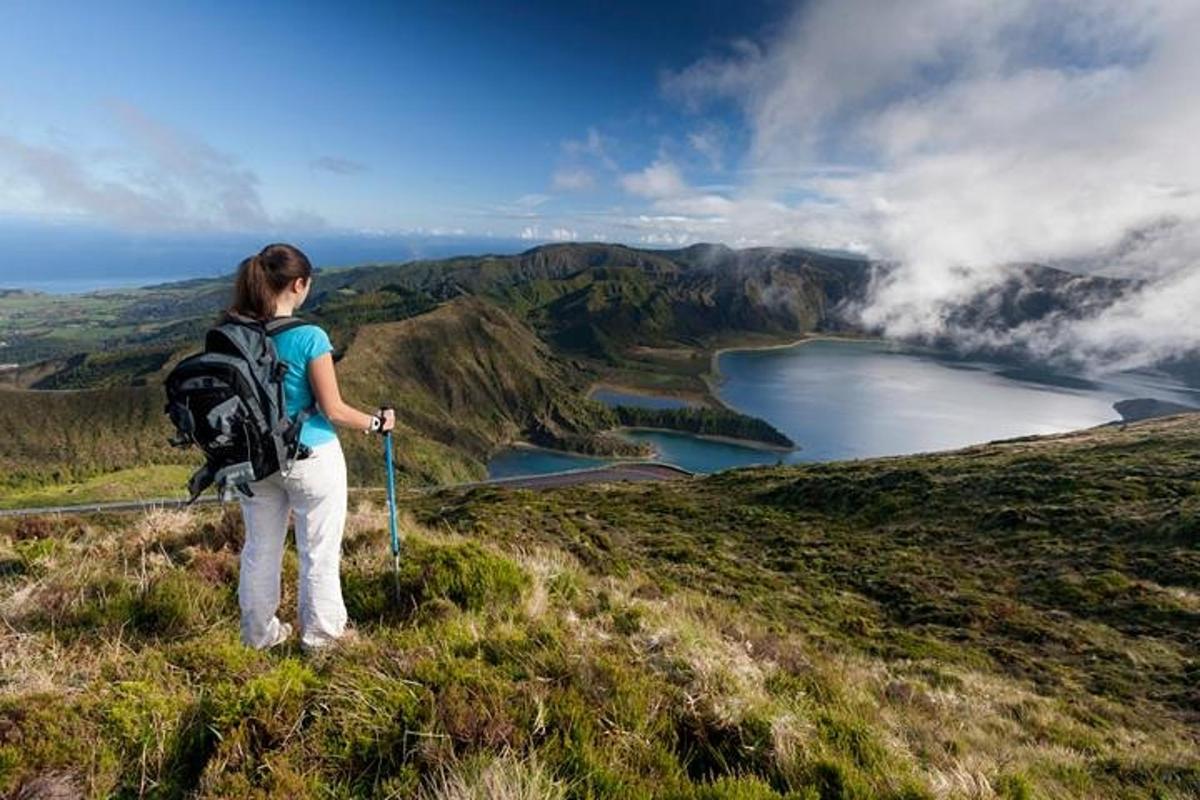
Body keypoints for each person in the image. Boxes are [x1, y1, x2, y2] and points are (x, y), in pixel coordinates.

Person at [227, 242, 395, 652]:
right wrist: (377, 423)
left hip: (255, 458)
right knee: (318, 551)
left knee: (259, 549)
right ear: (299, 285)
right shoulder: (309, 337)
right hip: (311, 458)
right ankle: (321, 641)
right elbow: (333, 409)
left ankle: (257, 637)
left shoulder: (236, 334)